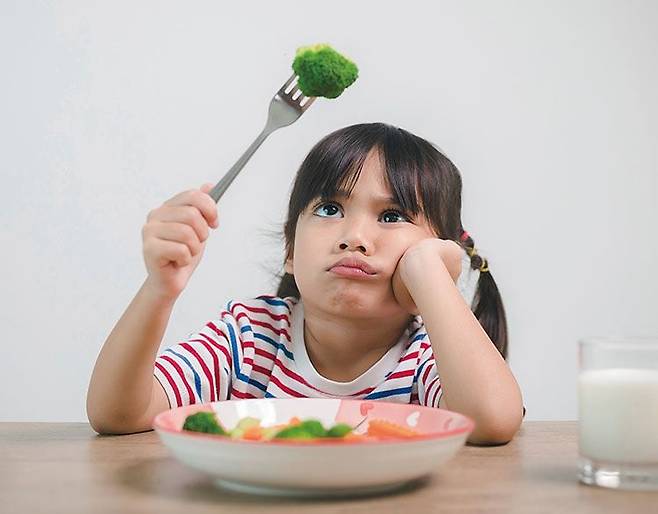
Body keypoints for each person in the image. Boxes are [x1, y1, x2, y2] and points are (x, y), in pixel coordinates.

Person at [87, 123, 524, 444]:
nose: (354, 237)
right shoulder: (249, 337)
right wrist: (159, 291)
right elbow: (118, 414)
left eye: (392, 217)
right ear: (290, 250)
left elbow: (491, 421)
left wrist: (431, 277)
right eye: (330, 209)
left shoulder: (428, 355)